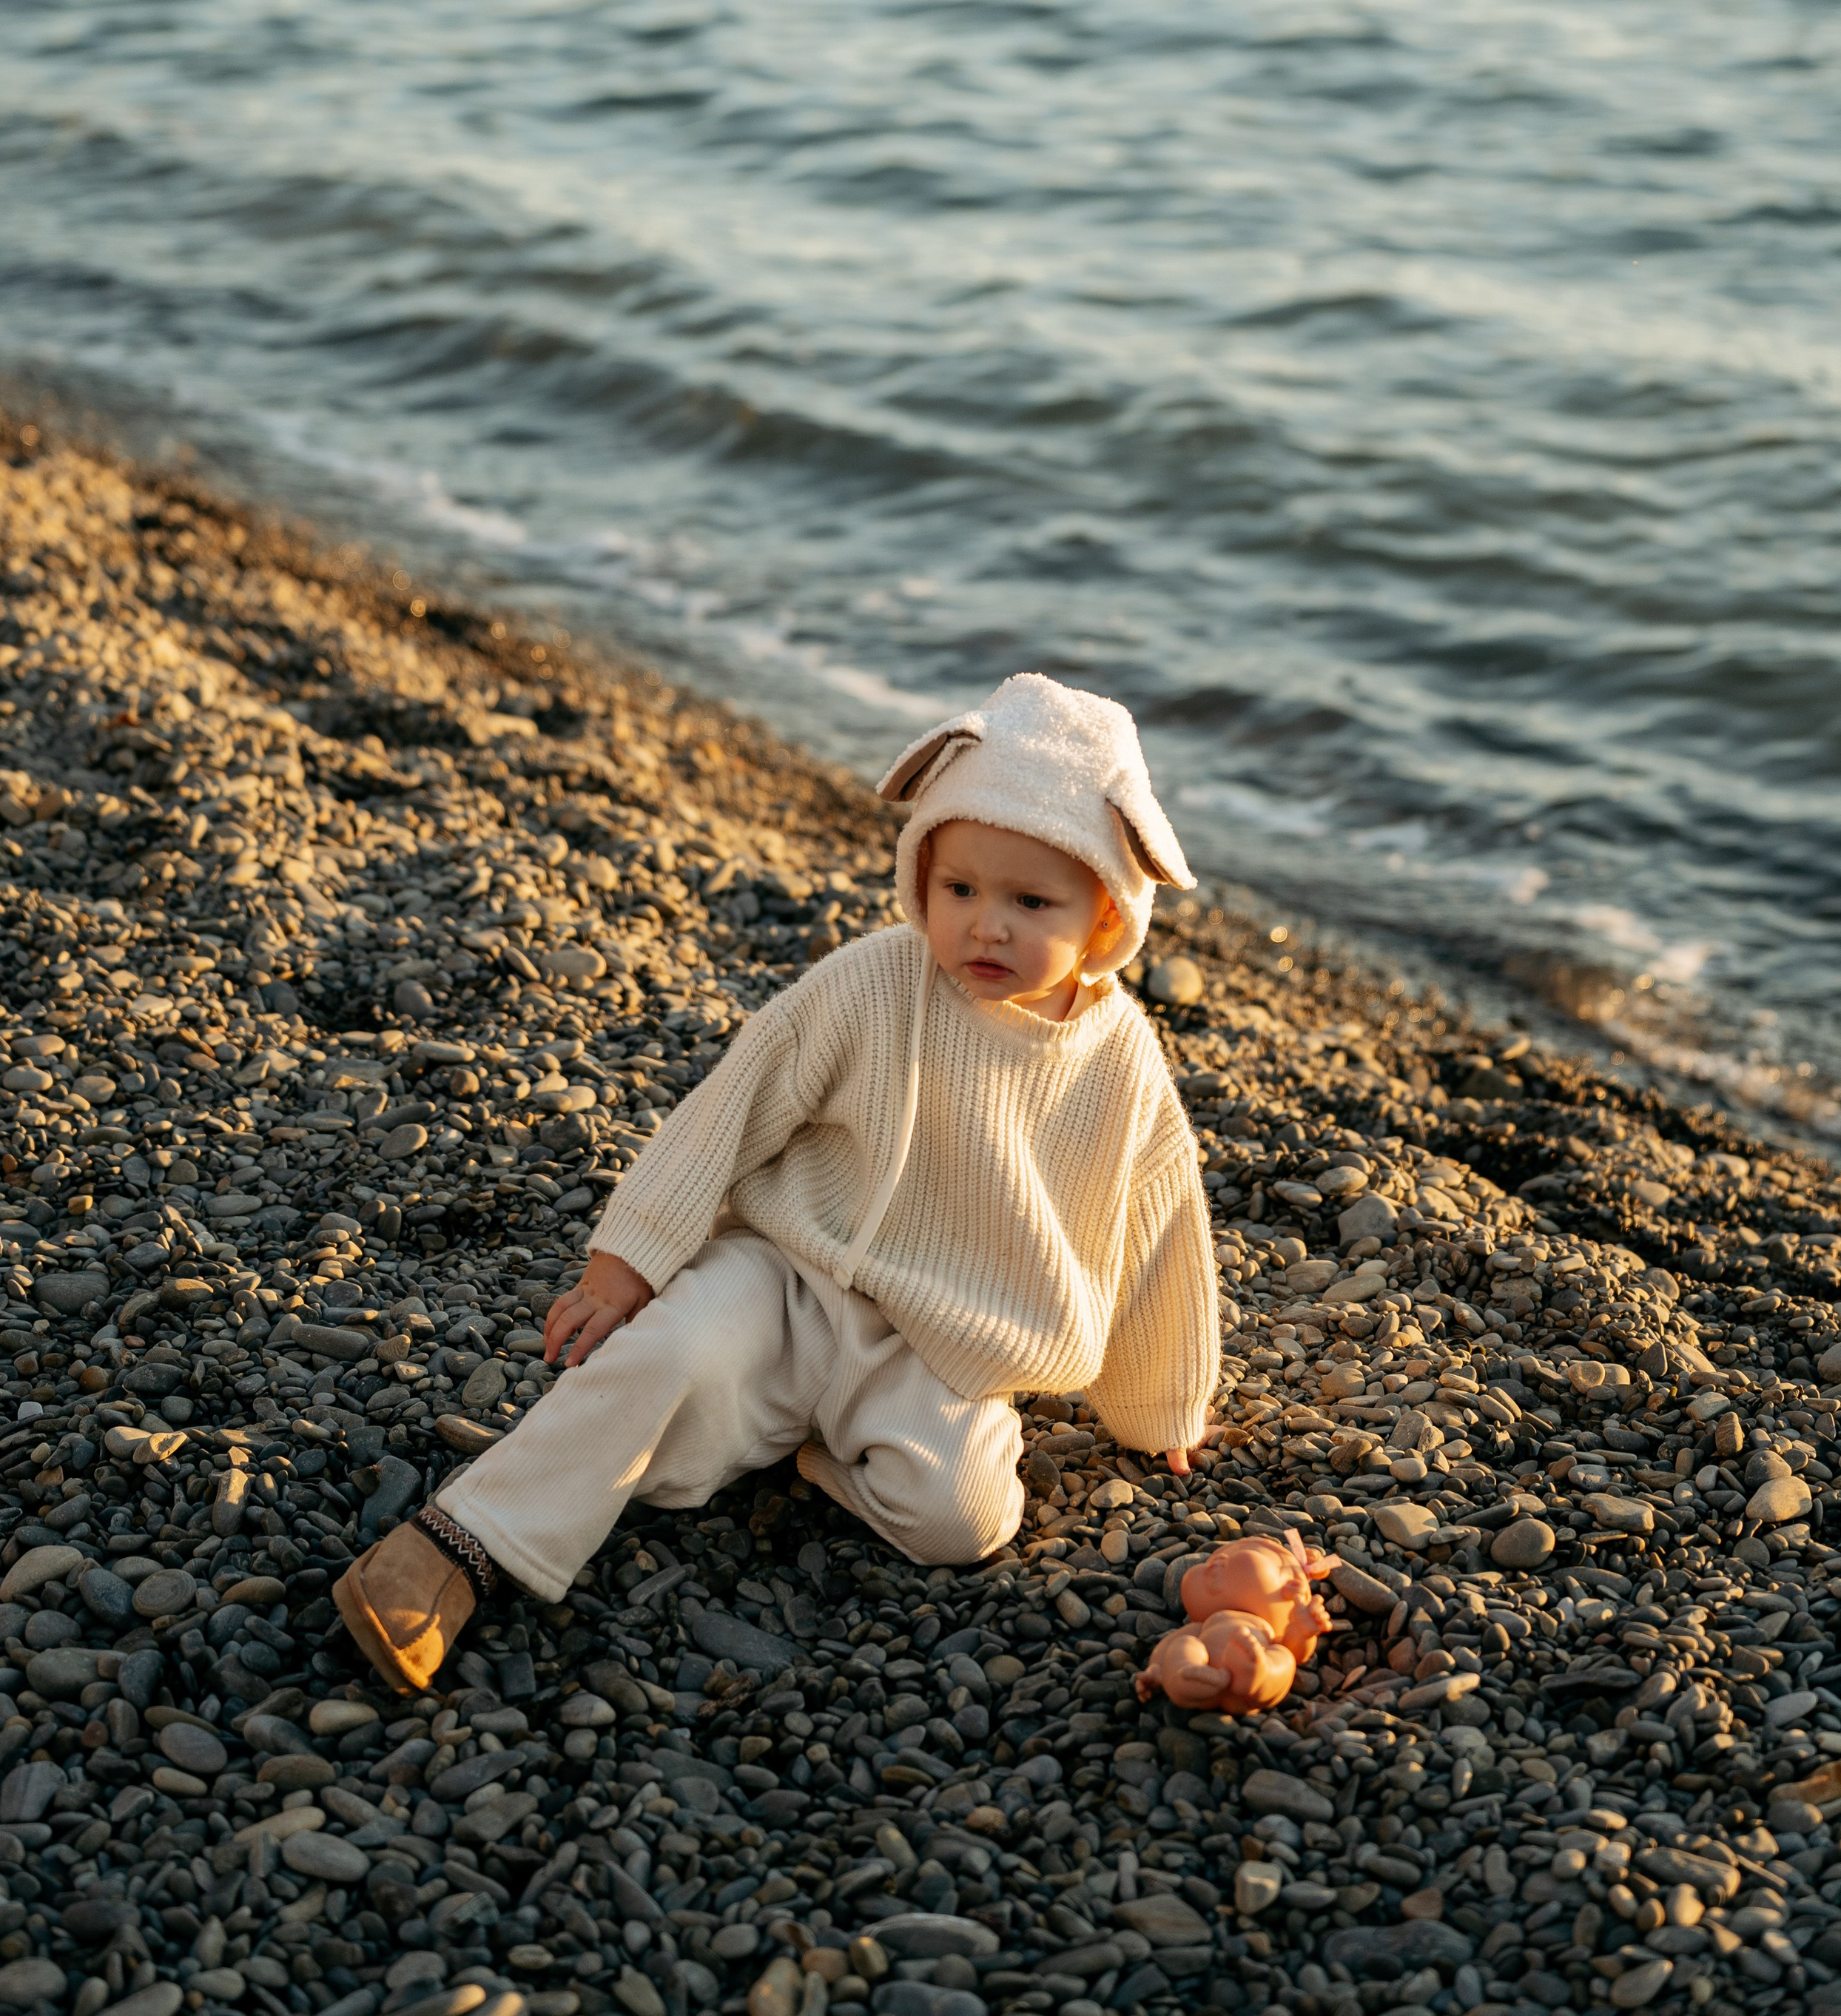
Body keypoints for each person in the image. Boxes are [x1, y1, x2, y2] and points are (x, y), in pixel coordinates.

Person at [333, 671, 1221, 1692]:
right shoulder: (874, 982)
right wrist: (628, 1266)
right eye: (959, 890)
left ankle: (806, 1452)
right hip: (788, 1277)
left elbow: (1157, 1223)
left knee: (964, 1522)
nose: (986, 926)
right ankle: (461, 1543)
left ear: (1107, 918)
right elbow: (731, 1109)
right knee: (662, 1359)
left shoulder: (1118, 1060)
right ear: (920, 877)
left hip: (945, 1349)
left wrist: (1163, 1408)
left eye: (1030, 902)